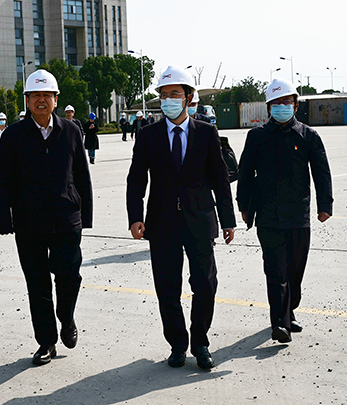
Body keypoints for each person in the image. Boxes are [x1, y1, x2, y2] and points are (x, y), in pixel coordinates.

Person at [126, 66, 235, 370]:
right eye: (164, 95)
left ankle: (200, 342)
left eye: (174, 94)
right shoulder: (148, 135)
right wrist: (135, 217)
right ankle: (177, 344)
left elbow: (220, 179)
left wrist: (227, 219)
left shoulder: (207, 133)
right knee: (167, 288)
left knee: (205, 284)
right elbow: (136, 179)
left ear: (188, 97)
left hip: (199, 220)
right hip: (161, 223)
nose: (168, 99)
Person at [0, 69, 93, 366]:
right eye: (35, 95)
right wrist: (3, 220)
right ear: (27, 100)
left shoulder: (71, 131)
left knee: (69, 276)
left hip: (66, 220)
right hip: (29, 223)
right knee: (37, 284)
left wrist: (86, 215)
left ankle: (66, 317)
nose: (41, 100)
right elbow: (2, 180)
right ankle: (46, 341)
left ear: (56, 100)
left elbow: (82, 176)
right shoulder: (13, 135)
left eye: (46, 95)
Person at [237, 78, 333, 344]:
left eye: (286, 102)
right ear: (269, 107)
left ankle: (289, 311)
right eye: (276, 102)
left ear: (295, 105)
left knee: (295, 270)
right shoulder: (257, 136)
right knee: (275, 271)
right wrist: (243, 205)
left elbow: (322, 172)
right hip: (267, 215)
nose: (282, 106)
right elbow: (245, 173)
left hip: (298, 215)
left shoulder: (308, 136)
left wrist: (325, 205)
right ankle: (279, 323)